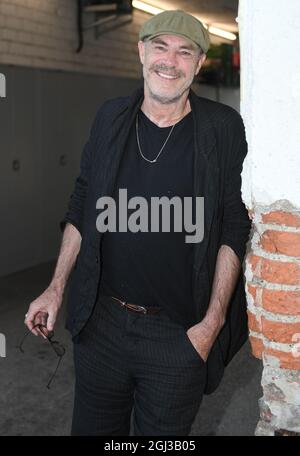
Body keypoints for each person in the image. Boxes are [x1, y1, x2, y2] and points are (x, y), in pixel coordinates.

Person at [24, 10, 252, 436]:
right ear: (141, 51)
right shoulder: (111, 117)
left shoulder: (222, 129)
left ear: (200, 63)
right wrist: (55, 289)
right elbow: (82, 204)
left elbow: (233, 228)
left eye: (185, 51)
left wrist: (211, 325)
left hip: (178, 332)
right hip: (102, 325)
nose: (171, 61)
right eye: (161, 47)